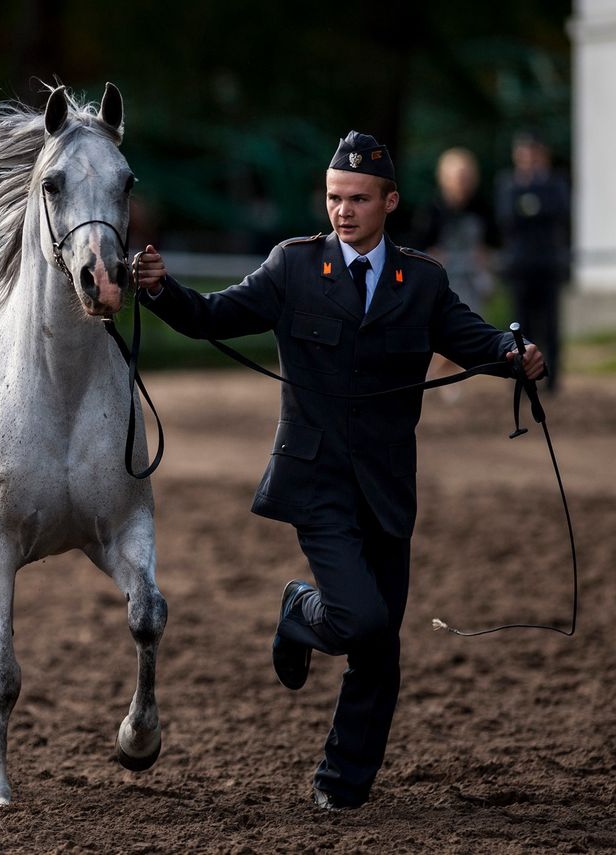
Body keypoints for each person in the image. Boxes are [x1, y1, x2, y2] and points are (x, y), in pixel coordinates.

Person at [133, 131, 546, 810]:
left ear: (389, 201)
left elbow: (480, 340)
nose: (342, 211)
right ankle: (302, 608)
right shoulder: (293, 267)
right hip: (316, 480)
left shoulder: (424, 280)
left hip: (388, 486)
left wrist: (518, 353)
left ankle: (341, 784)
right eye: (333, 198)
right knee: (359, 617)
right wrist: (159, 290)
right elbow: (213, 316)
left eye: (357, 198)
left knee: (381, 648)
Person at [415, 147, 496, 396]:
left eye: (466, 176)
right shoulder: (433, 209)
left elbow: (493, 241)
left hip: (471, 278)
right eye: (457, 175)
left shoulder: (481, 207)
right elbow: (419, 245)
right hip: (444, 279)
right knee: (440, 330)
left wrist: (485, 258)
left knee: (469, 329)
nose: (462, 181)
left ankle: (439, 377)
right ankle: (430, 376)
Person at [495, 131, 570, 393]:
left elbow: (558, 212)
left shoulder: (555, 183)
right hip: (519, 267)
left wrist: (530, 205)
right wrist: (534, 206)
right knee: (520, 325)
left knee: (550, 325)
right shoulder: (507, 183)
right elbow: (507, 217)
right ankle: (521, 376)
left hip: (547, 265)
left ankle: (553, 379)